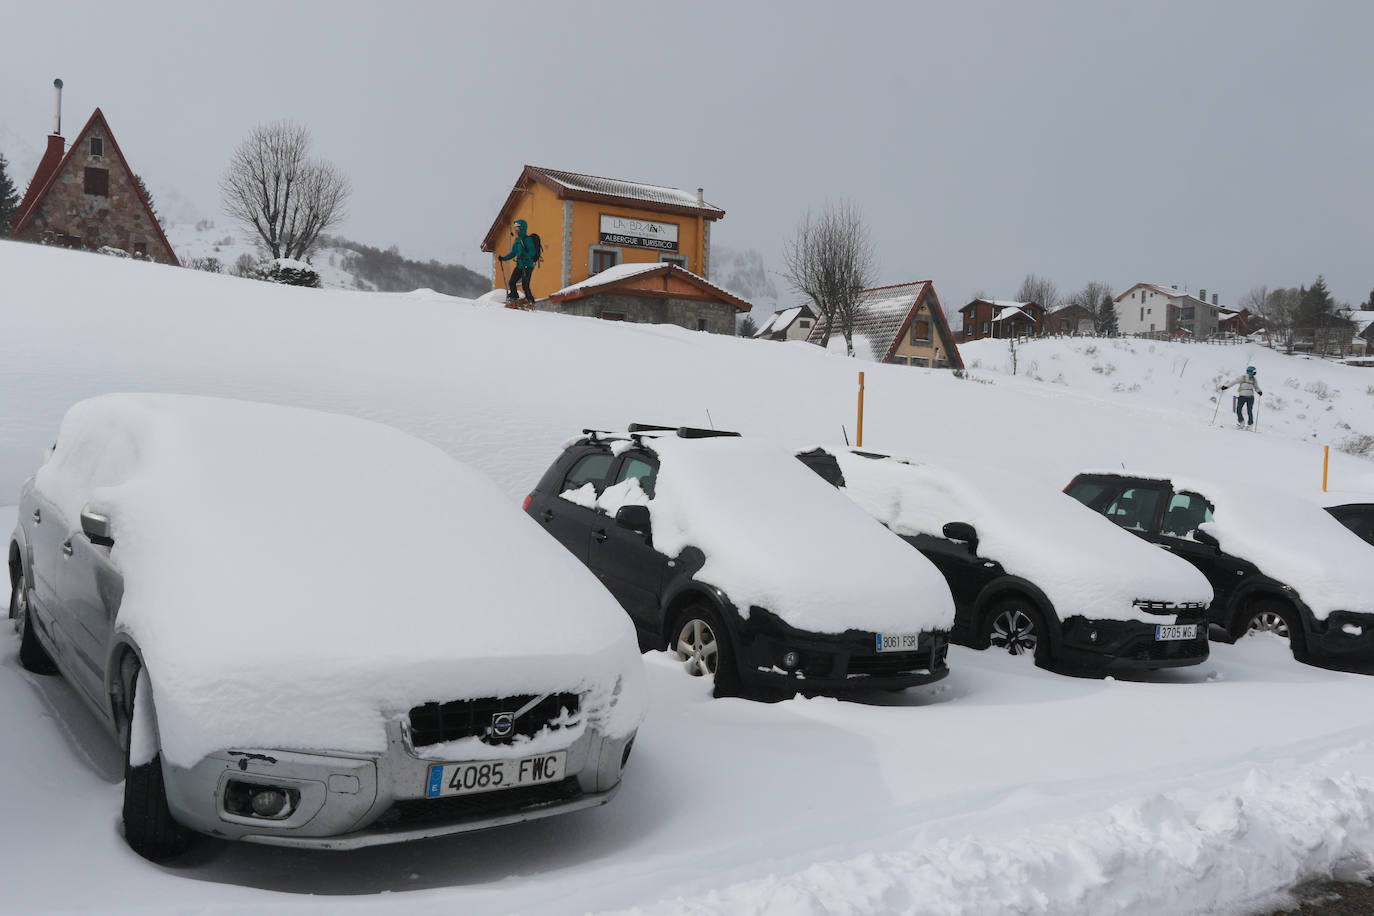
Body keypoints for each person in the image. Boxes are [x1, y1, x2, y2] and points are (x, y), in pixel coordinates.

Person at [499, 219, 537, 305]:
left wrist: (526, 256)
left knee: (525, 285)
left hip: (527, 265)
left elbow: (533, 251)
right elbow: (513, 253)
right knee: (512, 282)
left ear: (522, 228)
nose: (516, 230)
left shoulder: (527, 239)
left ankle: (531, 302)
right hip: (520, 265)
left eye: (518, 228)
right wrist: (503, 258)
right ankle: (514, 297)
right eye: (515, 228)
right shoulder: (516, 241)